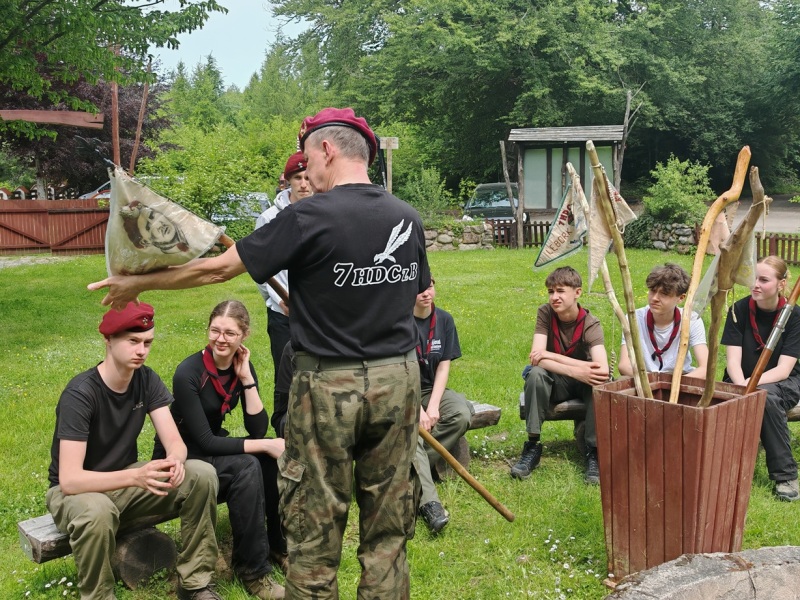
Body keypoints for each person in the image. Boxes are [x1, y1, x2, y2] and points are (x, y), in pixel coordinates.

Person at [88, 107, 431, 600]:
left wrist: (137, 282)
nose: (306, 172)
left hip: (328, 386)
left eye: (307, 159)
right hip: (398, 381)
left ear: (327, 150)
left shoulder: (307, 216)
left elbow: (217, 270)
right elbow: (415, 298)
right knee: (389, 527)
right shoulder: (407, 217)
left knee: (315, 524)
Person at [46, 302, 220, 600]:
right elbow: (71, 480)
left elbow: (175, 443)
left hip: (123, 482)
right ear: (108, 340)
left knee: (201, 474)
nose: (141, 351)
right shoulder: (81, 394)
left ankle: (195, 584)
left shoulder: (146, 379)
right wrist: (136, 477)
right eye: (132, 341)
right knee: (97, 511)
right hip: (75, 493)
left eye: (147, 343)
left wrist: (175, 461)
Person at [152, 300, 286, 599]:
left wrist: (247, 380)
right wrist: (267, 444)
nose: (221, 339)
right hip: (180, 456)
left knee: (266, 462)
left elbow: (256, 429)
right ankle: (253, 572)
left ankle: (277, 546)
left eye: (230, 333)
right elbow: (205, 441)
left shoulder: (241, 366)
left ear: (244, 335)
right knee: (248, 464)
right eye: (215, 330)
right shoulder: (188, 372)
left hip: (209, 450)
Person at [510, 266, 609, 484]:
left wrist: (553, 357)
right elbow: (536, 358)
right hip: (557, 383)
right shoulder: (546, 313)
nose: (554, 297)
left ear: (577, 292)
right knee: (535, 374)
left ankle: (593, 451)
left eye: (561, 291)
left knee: (599, 383)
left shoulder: (590, 323)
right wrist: (577, 369)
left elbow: (602, 369)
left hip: (584, 385)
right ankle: (532, 446)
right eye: (551, 291)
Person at [721, 255, 800, 502]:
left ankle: (785, 475)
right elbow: (732, 361)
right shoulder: (739, 309)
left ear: (781, 284)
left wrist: (752, 386)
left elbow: (784, 369)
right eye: (754, 278)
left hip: (781, 383)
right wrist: (742, 384)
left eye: (764, 280)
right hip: (739, 379)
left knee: (765, 399)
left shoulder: (794, 316)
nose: (755, 284)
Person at [413, 277, 474, 534]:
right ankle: (430, 504)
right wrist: (417, 410)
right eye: (419, 289)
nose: (426, 293)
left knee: (461, 413)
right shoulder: (398, 322)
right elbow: (399, 371)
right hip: (402, 390)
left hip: (430, 390)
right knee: (412, 433)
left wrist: (434, 406)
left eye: (429, 286)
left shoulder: (445, 320)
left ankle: (408, 471)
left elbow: (444, 365)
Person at [255, 151, 312, 381]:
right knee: (285, 376)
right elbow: (260, 266)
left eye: (308, 177)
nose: (303, 184)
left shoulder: (325, 214)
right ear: (288, 180)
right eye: (298, 178)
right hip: (282, 313)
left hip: (316, 313)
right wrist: (277, 300)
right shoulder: (269, 219)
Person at [617, 263, 708, 379]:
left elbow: (705, 368)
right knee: (622, 380)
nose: (655, 298)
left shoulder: (691, 320)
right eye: (652, 291)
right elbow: (624, 366)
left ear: (681, 298)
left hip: (680, 377)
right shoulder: (634, 318)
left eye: (664, 294)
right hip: (644, 376)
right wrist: (653, 382)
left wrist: (674, 384)